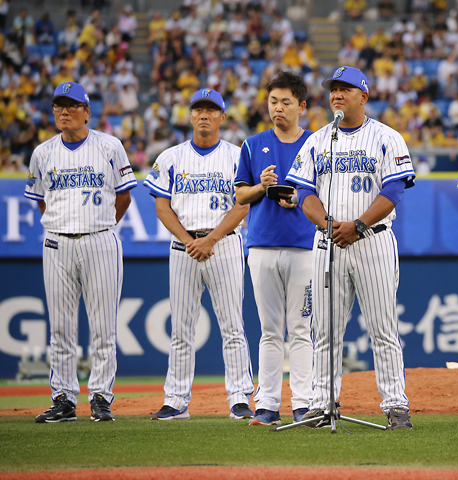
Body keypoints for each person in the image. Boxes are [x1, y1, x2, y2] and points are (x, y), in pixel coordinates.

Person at [286, 66, 415, 429]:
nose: (337, 95)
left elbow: (393, 191)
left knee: (382, 327)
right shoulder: (318, 140)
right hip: (328, 243)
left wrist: (357, 226)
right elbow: (303, 193)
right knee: (325, 329)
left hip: (371, 241)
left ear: (364, 95)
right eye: (333, 90)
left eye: (345, 89)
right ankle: (322, 402)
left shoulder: (387, 138)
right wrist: (328, 224)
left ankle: (395, 404)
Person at [26, 82, 137, 423]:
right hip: (57, 241)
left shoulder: (110, 146)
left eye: (72, 106)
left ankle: (101, 397)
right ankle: (63, 398)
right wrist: (64, 224)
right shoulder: (42, 153)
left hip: (100, 239)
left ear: (87, 112)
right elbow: (43, 201)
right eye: (58, 105)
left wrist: (100, 225)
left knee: (104, 326)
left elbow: (124, 197)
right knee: (60, 327)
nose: (64, 111)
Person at [144, 88, 254, 421]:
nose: (203, 115)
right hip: (184, 247)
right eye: (197, 109)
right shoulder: (170, 157)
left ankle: (239, 398)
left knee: (232, 325)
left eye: (211, 110)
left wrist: (211, 239)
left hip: (223, 243)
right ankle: (176, 400)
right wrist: (189, 241)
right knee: (181, 328)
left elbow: (243, 203)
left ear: (222, 117)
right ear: (190, 116)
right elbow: (162, 208)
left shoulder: (238, 155)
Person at [234, 72, 315, 426]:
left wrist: (298, 198)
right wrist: (262, 186)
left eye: (285, 102)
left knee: (300, 328)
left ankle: (303, 403)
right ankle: (266, 405)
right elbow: (240, 196)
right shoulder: (252, 145)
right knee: (269, 330)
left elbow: (324, 195)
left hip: (304, 245)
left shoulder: (318, 143)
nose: (277, 108)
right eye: (272, 101)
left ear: (302, 106)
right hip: (263, 245)